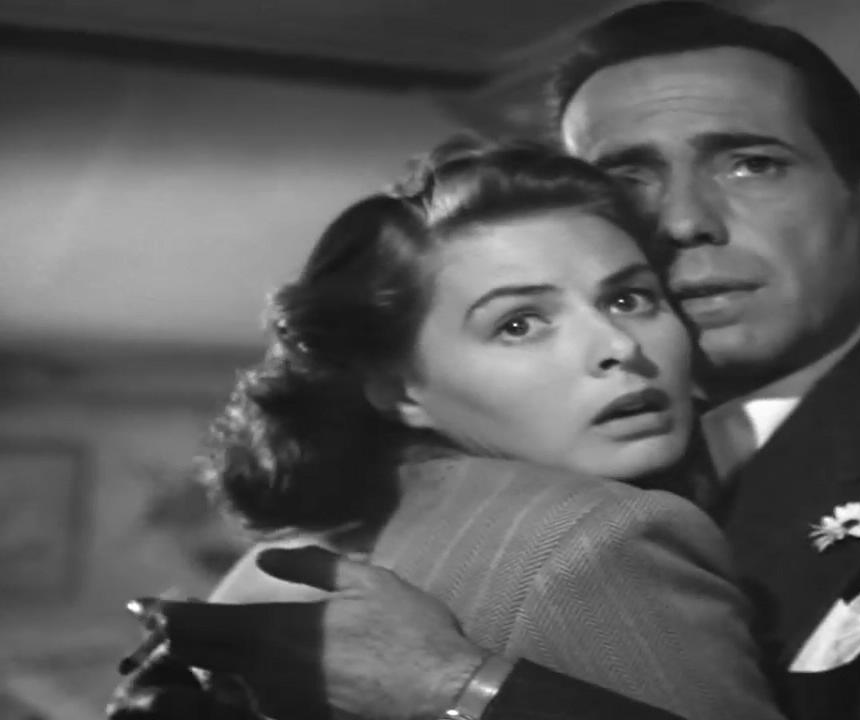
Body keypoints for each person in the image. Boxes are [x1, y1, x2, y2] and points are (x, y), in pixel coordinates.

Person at [111, 2, 860, 719]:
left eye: (749, 165)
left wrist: (460, 689)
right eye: (627, 178)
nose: (681, 221)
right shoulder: (456, 477)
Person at [110, 137, 785, 720]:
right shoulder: (605, 538)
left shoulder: (280, 559)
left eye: (628, 298)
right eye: (518, 324)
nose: (618, 346)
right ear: (399, 390)